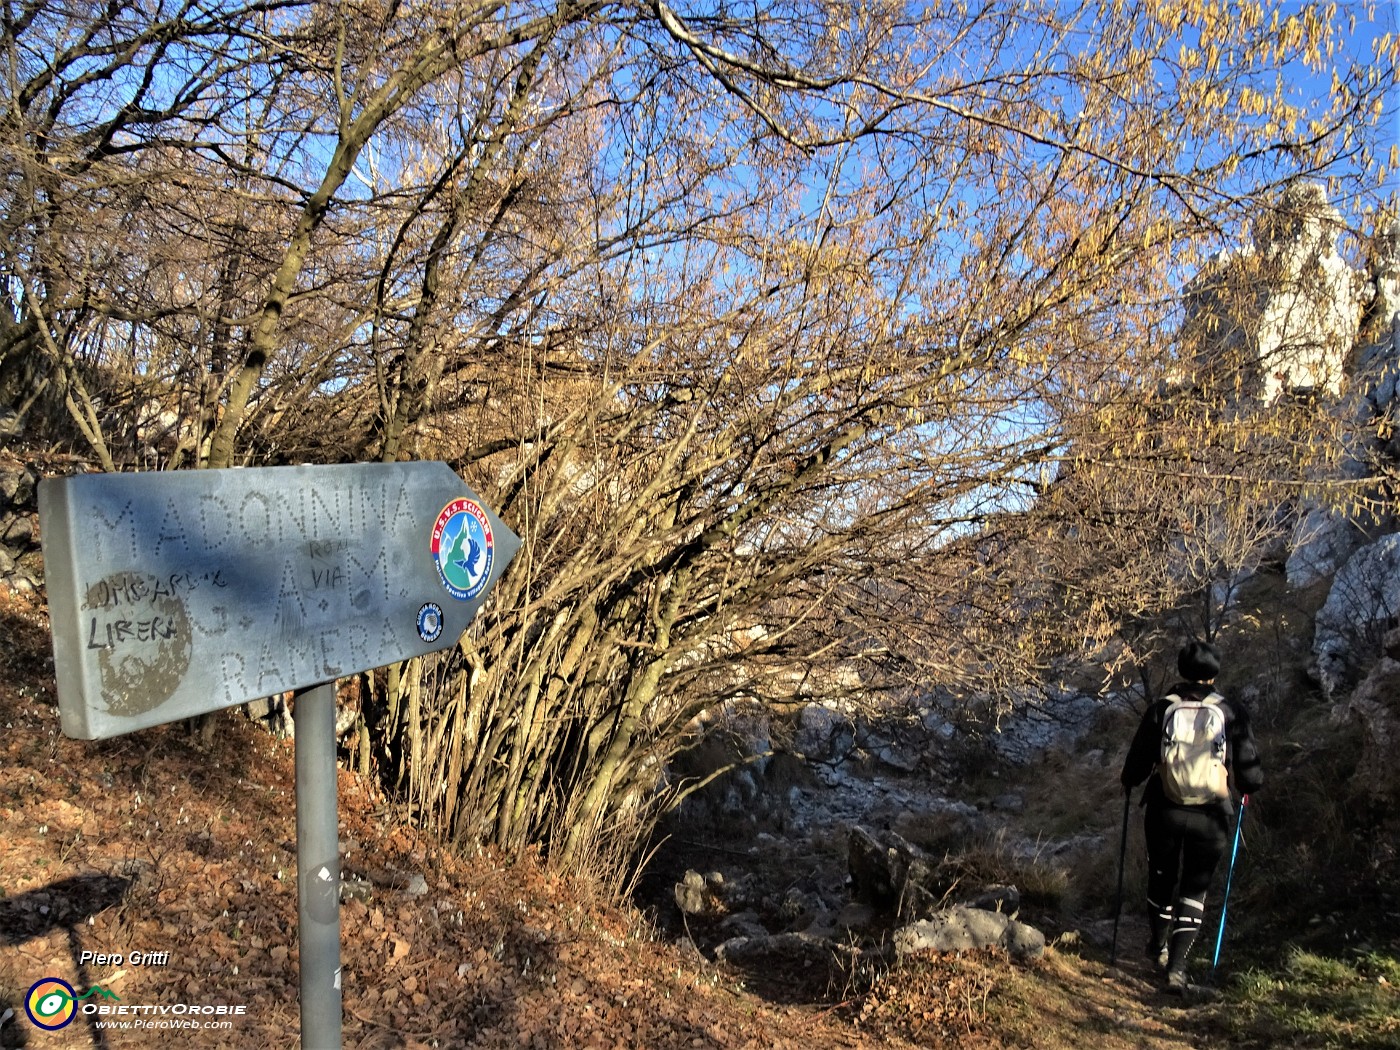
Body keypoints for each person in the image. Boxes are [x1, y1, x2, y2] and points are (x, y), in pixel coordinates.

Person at [1120, 640, 1264, 993]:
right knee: (1195, 888)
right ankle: (1178, 968)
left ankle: (1157, 945)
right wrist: (1243, 785)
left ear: (1182, 670)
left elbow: (1134, 769)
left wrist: (1130, 782)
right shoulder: (1231, 712)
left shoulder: (1161, 709)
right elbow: (1252, 778)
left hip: (1165, 810)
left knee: (1161, 878)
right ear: (1215, 674)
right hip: (1211, 816)